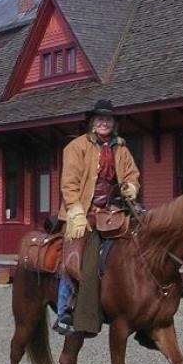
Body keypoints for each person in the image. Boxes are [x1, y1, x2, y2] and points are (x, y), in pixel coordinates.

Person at [55, 99, 140, 335]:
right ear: (92, 123)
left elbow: (132, 174)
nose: (104, 122)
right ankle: (66, 311)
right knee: (79, 257)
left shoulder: (121, 148)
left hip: (114, 212)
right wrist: (75, 210)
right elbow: (69, 183)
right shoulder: (76, 147)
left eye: (109, 119)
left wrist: (131, 186)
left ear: (114, 124)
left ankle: (140, 311)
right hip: (85, 211)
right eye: (100, 119)